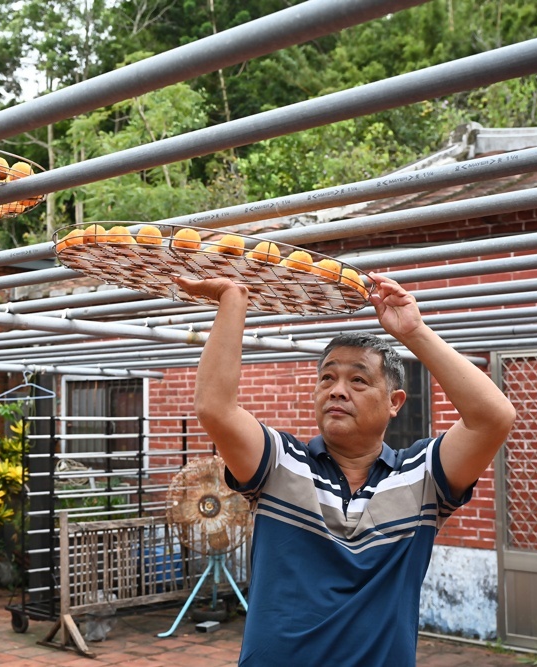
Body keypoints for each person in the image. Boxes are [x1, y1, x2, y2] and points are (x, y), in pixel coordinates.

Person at [172, 271, 516, 667]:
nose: (337, 389)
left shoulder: (423, 478)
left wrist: (415, 331)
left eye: (358, 380)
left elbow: (493, 417)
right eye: (327, 378)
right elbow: (215, 408)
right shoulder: (280, 463)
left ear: (395, 401)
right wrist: (234, 299)